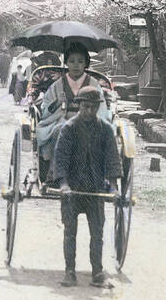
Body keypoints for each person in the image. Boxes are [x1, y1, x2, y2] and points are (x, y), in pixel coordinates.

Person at [51, 86, 121, 287]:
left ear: (98, 107)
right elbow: (61, 159)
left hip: (95, 189)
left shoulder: (106, 129)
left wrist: (114, 187)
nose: (88, 111)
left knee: (97, 233)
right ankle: (70, 271)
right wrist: (63, 184)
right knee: (69, 231)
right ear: (78, 105)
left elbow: (112, 160)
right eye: (85, 107)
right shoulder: (69, 128)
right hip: (73, 189)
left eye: (92, 107)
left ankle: (97, 271)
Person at [34, 43, 104, 180]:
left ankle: (93, 175)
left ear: (86, 63)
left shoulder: (93, 83)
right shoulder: (58, 84)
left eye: (80, 61)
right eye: (72, 61)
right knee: (59, 130)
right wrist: (57, 102)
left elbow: (102, 107)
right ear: (66, 63)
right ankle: (54, 173)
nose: (76, 65)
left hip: (90, 120)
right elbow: (46, 109)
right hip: (62, 119)